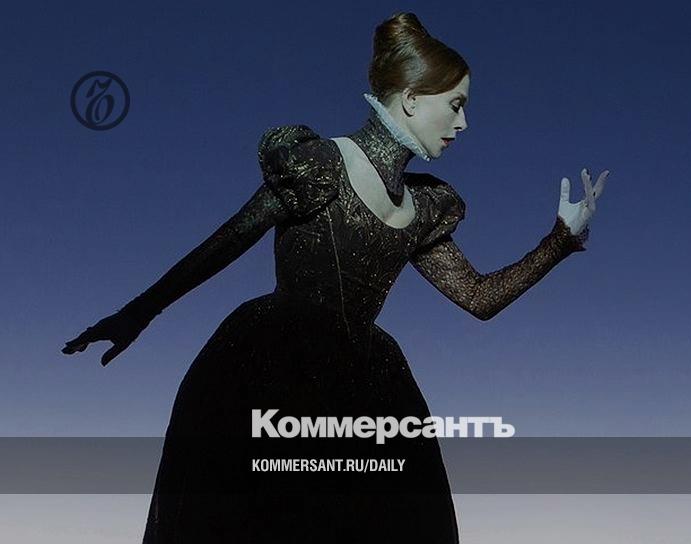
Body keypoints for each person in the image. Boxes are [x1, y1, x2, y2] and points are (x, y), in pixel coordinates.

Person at [62, 11, 608, 543]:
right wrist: (137, 313)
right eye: (456, 105)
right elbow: (227, 242)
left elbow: (478, 297)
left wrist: (560, 240)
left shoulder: (424, 207)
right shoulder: (318, 164)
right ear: (412, 99)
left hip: (366, 382)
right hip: (269, 367)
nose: (463, 124)